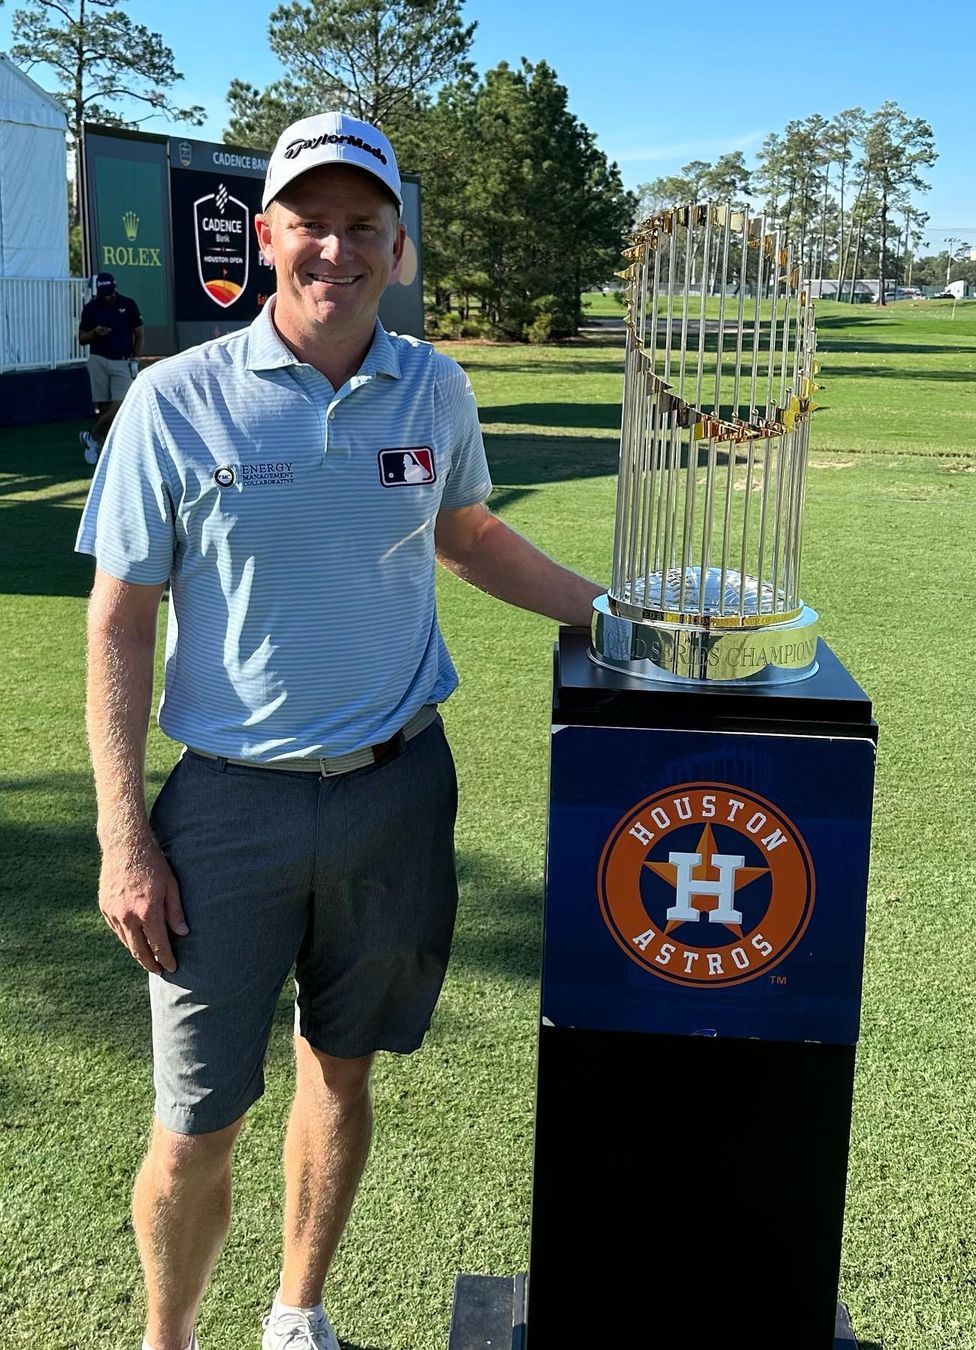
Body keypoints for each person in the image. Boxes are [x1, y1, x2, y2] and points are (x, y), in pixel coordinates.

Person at [75, 111, 602, 1350]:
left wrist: (619, 615)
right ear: (266, 238)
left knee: (341, 1069)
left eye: (363, 225)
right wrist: (122, 838)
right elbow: (117, 621)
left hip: (395, 789)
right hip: (226, 811)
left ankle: (295, 1315)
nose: (336, 248)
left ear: (399, 248)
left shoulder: (433, 385)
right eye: (310, 222)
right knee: (196, 1120)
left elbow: (468, 535)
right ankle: (170, 1338)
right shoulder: (174, 400)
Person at [77, 272, 144, 464]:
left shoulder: (128, 304)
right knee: (104, 406)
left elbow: (139, 334)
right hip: (98, 359)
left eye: (109, 291)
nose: (106, 295)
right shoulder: (91, 308)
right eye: (103, 292)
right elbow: (82, 338)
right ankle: (105, 451)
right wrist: (95, 333)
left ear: (114, 287)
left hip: (123, 360)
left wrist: (136, 358)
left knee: (121, 403)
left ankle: (92, 436)